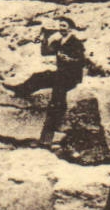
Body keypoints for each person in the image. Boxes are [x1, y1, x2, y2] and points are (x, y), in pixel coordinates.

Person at [9, 16, 90, 147]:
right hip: (61, 74)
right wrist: (44, 37)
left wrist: (69, 59)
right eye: (60, 26)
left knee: (57, 100)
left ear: (70, 28)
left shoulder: (76, 42)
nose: (61, 28)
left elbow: (82, 61)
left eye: (63, 26)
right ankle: (20, 90)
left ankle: (47, 137)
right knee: (40, 76)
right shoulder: (59, 41)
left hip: (72, 76)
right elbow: (45, 52)